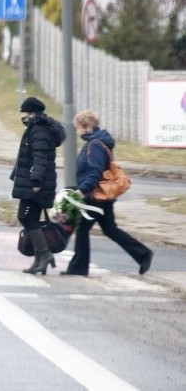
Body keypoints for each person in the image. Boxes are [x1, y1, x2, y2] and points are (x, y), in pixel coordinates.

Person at [63, 110, 153, 276]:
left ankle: (78, 268)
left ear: (87, 126)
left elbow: (95, 172)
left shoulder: (95, 144)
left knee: (82, 229)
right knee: (110, 229)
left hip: (94, 195)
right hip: (102, 196)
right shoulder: (97, 141)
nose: (77, 131)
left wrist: (82, 191)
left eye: (78, 128)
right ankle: (143, 254)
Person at [10, 97, 66, 275]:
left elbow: (40, 158)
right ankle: (39, 259)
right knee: (30, 219)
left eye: (24, 113)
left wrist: (35, 181)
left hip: (37, 185)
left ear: (32, 113)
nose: (23, 116)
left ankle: (45, 254)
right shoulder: (36, 129)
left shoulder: (39, 131)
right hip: (37, 183)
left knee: (26, 218)